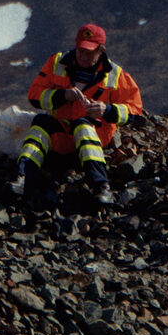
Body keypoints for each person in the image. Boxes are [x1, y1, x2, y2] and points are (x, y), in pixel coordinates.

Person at [14, 22, 142, 206]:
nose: (83, 55)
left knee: (82, 125)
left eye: (89, 52)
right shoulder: (57, 62)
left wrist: (107, 110)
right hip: (60, 137)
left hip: (93, 137)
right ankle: (22, 178)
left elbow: (135, 109)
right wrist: (62, 95)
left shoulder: (115, 75)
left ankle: (101, 186)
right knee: (41, 123)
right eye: (80, 50)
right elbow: (34, 96)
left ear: (101, 50)